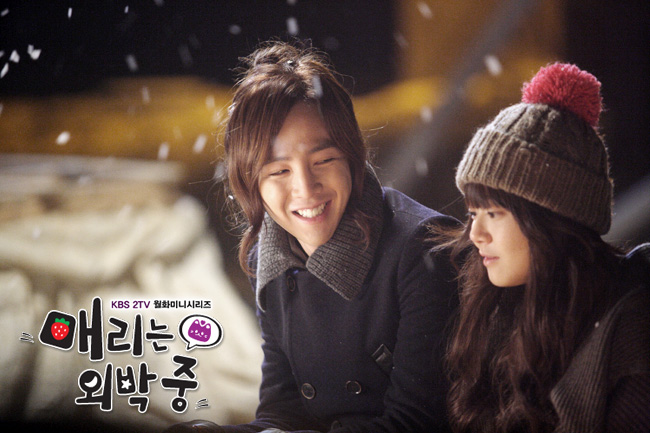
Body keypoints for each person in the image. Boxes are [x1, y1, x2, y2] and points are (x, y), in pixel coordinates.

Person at [164, 40, 458, 432]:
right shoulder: (268, 257)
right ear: (250, 184)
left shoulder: (422, 250)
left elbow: (414, 424)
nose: (306, 188)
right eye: (279, 171)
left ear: (352, 158)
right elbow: (282, 413)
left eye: (323, 160)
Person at [439, 62, 650, 432]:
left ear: (552, 221)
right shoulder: (500, 306)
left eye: (494, 213)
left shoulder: (631, 330)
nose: (475, 234)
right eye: (472, 213)